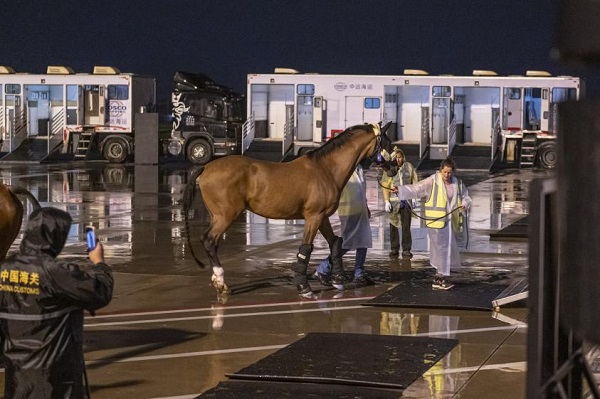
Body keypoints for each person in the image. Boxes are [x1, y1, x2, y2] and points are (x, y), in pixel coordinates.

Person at [0, 207, 114, 398]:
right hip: (54, 381)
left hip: (17, 380)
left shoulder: (5, 269)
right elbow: (99, 291)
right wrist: (99, 263)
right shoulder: (54, 272)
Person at [392, 157, 472, 290]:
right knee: (440, 250)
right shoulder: (433, 181)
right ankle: (439, 279)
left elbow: (466, 196)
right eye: (445, 172)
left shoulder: (457, 183)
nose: (447, 175)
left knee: (446, 250)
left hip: (449, 222)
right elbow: (417, 189)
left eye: (450, 173)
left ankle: (440, 277)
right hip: (436, 222)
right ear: (441, 170)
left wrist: (465, 203)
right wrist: (400, 190)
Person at [314, 164, 372, 288]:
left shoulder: (360, 168)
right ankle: (323, 268)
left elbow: (361, 189)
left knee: (363, 242)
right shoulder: (344, 168)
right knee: (348, 243)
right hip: (349, 211)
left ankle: (359, 273)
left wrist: (366, 206)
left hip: (360, 209)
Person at [381, 147, 418, 259]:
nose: (398, 159)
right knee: (393, 226)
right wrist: (386, 200)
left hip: (406, 202)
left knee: (406, 226)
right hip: (394, 202)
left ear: (403, 157)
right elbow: (385, 185)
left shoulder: (409, 167)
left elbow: (415, 182)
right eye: (396, 157)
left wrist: (414, 197)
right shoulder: (389, 169)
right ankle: (394, 248)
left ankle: (406, 249)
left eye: (400, 157)